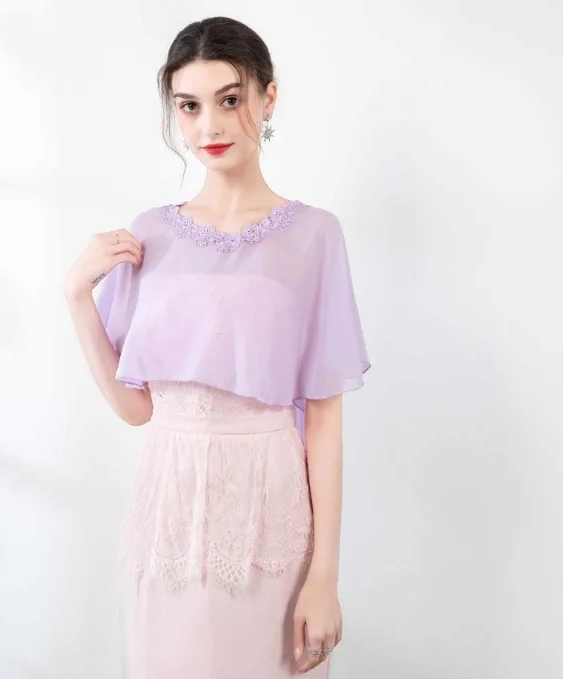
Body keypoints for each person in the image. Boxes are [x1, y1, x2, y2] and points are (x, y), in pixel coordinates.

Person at [63, 15, 371, 679]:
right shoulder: (149, 235)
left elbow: (323, 419)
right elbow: (136, 408)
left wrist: (324, 576)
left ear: (267, 97)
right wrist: (76, 296)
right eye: (189, 106)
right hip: (168, 516)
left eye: (230, 99)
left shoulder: (314, 236)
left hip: (269, 516)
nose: (210, 125)